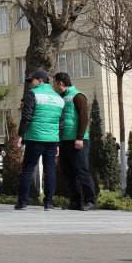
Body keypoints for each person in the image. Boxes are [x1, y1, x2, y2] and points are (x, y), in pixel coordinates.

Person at [15, 69, 64, 211]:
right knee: (50, 170)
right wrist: (58, 143)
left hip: (35, 138)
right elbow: (60, 123)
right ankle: (48, 203)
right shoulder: (58, 98)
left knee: (28, 168)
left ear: (40, 80)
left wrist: (20, 135)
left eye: (32, 80)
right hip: (52, 140)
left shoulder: (32, 94)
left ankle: (22, 202)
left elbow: (26, 116)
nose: (30, 83)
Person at [53, 72, 96, 210]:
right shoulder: (61, 97)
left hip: (78, 140)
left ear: (60, 83)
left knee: (82, 170)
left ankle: (90, 201)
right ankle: (75, 201)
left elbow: (84, 118)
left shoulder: (78, 96)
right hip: (64, 140)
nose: (53, 86)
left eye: (54, 83)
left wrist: (80, 137)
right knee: (68, 171)